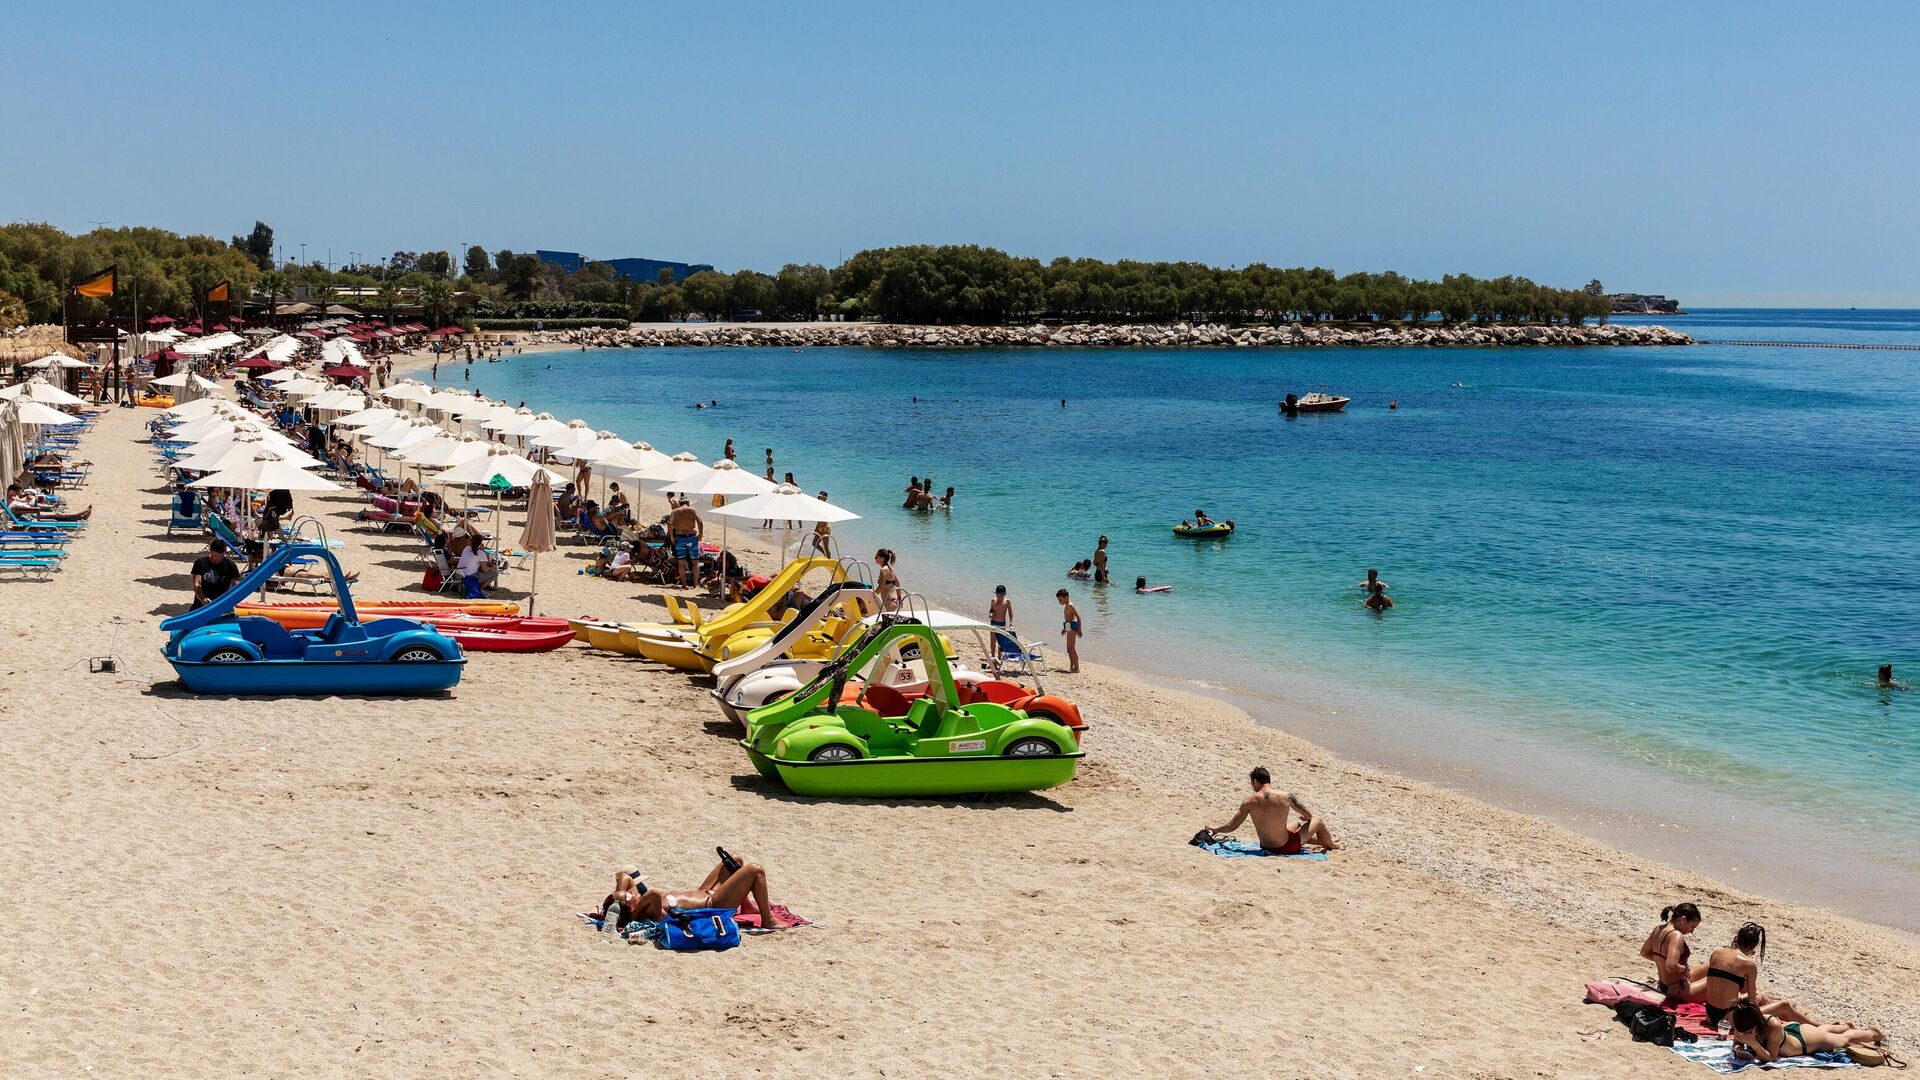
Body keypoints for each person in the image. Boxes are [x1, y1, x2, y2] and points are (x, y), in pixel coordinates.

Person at [600, 857, 794, 933]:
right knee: (755, 870)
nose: (630, 892)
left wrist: (619, 897)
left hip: (703, 892)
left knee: (735, 861)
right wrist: (627, 906)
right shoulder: (644, 910)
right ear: (631, 908)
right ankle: (768, 920)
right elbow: (654, 893)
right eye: (628, 896)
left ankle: (748, 905)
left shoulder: (635, 903)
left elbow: (625, 876)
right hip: (714, 903)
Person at [1686, 922, 1811, 1030]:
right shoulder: (1748, 964)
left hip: (1709, 1016)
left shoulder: (1717, 953)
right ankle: (1817, 1025)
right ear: (1753, 946)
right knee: (1784, 1005)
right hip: (1729, 1021)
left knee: (1761, 996)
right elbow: (1752, 1003)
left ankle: (1786, 1011)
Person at [1200, 766, 1343, 854]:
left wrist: (1216, 829)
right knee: (1318, 821)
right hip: (1285, 847)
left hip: (1266, 845)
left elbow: (1232, 826)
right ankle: (1333, 845)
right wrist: (1307, 819)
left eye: (1252, 784)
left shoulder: (1249, 801)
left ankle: (1325, 841)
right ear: (1269, 780)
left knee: (1296, 824)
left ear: (1256, 782)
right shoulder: (1286, 797)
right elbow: (1308, 814)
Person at [1726, 1000, 1883, 1064]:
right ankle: (1844, 1024)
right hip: (1792, 1034)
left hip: (1802, 1040)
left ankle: (1873, 1034)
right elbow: (1738, 1042)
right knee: (1823, 1030)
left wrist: (1754, 1044)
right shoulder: (1744, 1022)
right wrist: (1738, 1048)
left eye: (1747, 1031)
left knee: (1842, 1039)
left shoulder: (1771, 1024)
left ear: (1754, 1026)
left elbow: (1771, 1057)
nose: (1744, 1033)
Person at [1640, 902, 1702, 1001]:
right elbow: (1672, 966)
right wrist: (1684, 969)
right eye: (1692, 927)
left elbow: (1644, 953)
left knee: (1711, 966)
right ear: (1683, 919)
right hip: (1679, 990)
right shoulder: (1676, 935)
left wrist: (1662, 960)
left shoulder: (1658, 929)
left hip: (1664, 985)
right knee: (1716, 979)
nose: (1691, 931)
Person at [191, 539, 243, 608]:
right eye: (215, 556)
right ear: (211, 551)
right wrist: (203, 599)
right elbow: (196, 585)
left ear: (224, 552)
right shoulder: (200, 563)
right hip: (201, 604)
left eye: (221, 556)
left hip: (222, 604)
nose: (217, 559)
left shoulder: (230, 565)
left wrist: (231, 599)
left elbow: (236, 585)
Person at [669, 497, 704, 586]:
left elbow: (670, 523)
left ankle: (684, 584)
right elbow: (700, 521)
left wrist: (672, 537)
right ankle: (695, 583)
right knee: (695, 562)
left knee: (681, 563)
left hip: (680, 538)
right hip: (692, 538)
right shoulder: (692, 510)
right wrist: (700, 534)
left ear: (680, 503)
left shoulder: (675, 511)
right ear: (688, 503)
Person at [1056, 589, 1081, 673]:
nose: (1059, 602)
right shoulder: (1066, 605)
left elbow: (1078, 617)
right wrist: (1064, 629)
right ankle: (1072, 666)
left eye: (1060, 600)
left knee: (1071, 648)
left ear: (1066, 597)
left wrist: (1079, 629)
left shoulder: (1070, 605)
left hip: (1073, 628)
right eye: (1058, 600)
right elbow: (1068, 619)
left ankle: (1077, 668)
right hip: (1068, 627)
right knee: (1068, 648)